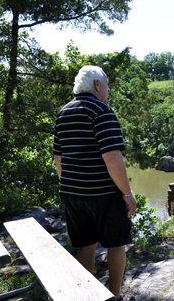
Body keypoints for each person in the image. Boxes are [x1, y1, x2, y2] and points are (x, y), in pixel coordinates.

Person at [53, 65, 136, 300]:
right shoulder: (102, 111)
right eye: (107, 85)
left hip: (71, 193)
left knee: (86, 245)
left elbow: (59, 157)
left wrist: (71, 186)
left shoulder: (64, 112)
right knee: (116, 245)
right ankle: (114, 295)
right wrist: (127, 194)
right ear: (97, 85)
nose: (108, 90)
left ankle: (87, 296)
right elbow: (111, 156)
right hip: (104, 195)